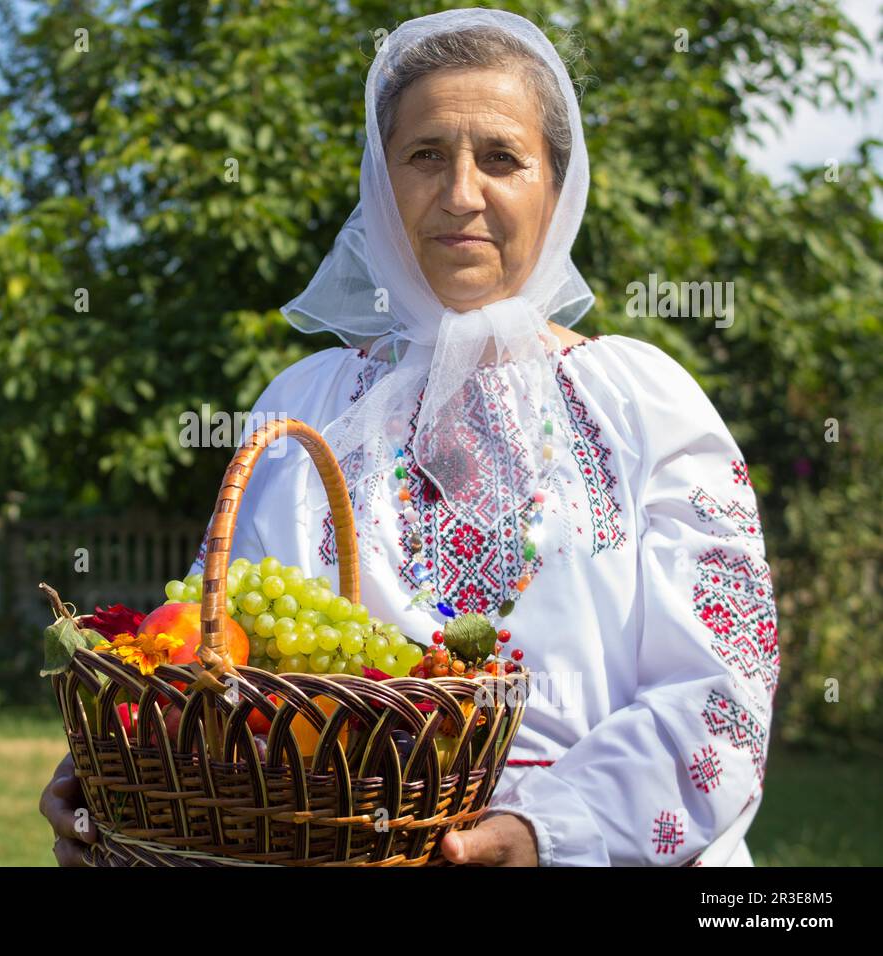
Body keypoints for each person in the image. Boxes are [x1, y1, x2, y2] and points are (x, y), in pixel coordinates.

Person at [42, 7, 778, 867]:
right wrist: (129, 769)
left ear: (558, 187)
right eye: (426, 155)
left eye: (502, 158)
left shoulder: (646, 400)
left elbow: (723, 692)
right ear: (380, 183)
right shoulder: (303, 405)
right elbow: (223, 657)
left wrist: (545, 834)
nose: (462, 192)